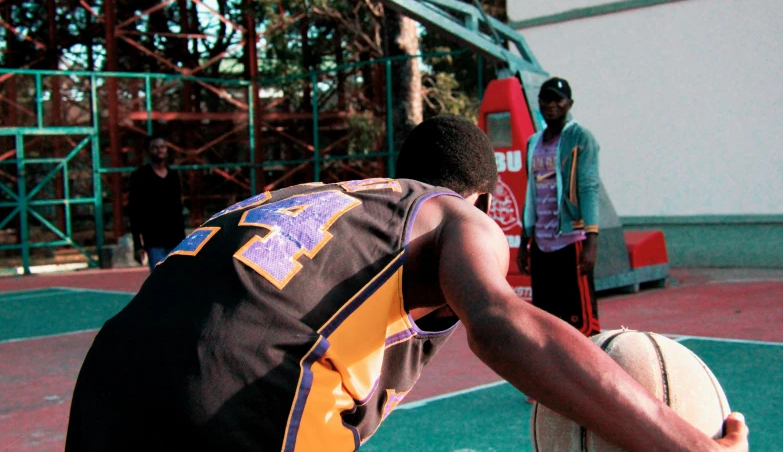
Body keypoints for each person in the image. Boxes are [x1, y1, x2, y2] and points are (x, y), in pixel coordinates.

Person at [66, 115, 748, 452]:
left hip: (107, 376)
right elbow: (502, 327)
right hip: (234, 390)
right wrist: (680, 442)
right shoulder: (455, 216)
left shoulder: (302, 194)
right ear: (478, 196)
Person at [517, 77, 601, 337]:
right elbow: (530, 192)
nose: (551, 105)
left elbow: (588, 187)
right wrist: (524, 242)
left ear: (569, 104)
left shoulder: (580, 137)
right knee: (546, 321)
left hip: (571, 240)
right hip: (541, 243)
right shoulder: (534, 142)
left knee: (581, 325)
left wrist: (591, 242)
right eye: (546, 100)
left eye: (558, 100)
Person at [128, 134, 186, 271]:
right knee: (159, 282)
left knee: (177, 280)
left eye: (162, 147)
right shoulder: (139, 177)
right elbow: (134, 212)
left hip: (175, 240)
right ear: (148, 151)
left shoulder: (173, 176)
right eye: (155, 148)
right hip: (154, 241)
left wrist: (185, 242)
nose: (159, 150)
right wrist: (138, 245)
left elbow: (178, 210)